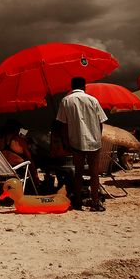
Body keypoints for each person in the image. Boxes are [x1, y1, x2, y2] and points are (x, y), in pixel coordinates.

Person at [57, 77, 108, 211]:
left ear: (71, 86)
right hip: (94, 141)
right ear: (84, 86)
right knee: (94, 173)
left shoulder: (66, 101)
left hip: (76, 141)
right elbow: (101, 122)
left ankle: (78, 201)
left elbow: (63, 125)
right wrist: (98, 136)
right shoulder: (93, 100)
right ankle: (95, 202)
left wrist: (65, 142)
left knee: (78, 172)